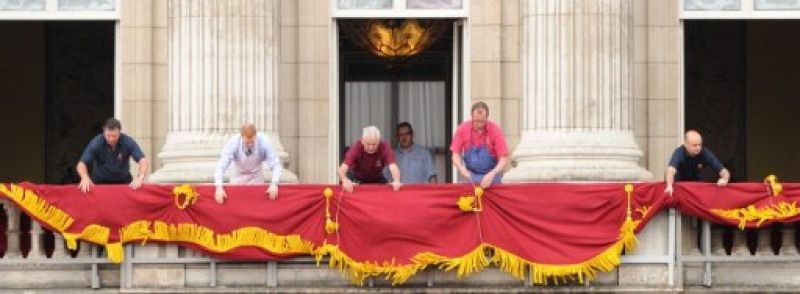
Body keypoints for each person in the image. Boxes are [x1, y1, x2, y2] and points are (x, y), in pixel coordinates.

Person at [214, 124, 283, 204]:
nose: (250, 144)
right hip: (238, 178)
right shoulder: (233, 142)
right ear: (242, 136)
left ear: (256, 135)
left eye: (252, 142)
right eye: (247, 142)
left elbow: (276, 164)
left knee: (256, 204)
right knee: (238, 204)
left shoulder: (264, 142)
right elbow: (221, 166)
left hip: (256, 178)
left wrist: (274, 184)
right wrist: (218, 186)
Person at [77, 118, 149, 193]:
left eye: (114, 136)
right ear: (104, 131)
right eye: (108, 136)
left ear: (119, 132)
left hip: (123, 183)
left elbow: (143, 160)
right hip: (100, 183)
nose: (111, 139)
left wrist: (140, 177)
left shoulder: (127, 141)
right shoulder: (96, 142)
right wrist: (84, 177)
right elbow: (81, 163)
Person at [450, 102, 510, 189]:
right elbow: (455, 154)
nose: (479, 124)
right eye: (476, 121)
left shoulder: (495, 130)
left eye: (482, 121)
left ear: (487, 118)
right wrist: (461, 168)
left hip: (492, 177)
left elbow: (504, 158)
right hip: (470, 176)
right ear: (472, 117)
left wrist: (493, 173)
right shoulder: (462, 129)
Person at [664, 129, 730, 195]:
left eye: (699, 145)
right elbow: (670, 170)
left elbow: (723, 170)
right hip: (680, 187)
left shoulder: (704, 152)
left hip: (696, 187)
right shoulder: (679, 153)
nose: (698, 148)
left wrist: (725, 179)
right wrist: (669, 185)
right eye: (694, 145)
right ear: (686, 144)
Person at [338, 125, 402, 193]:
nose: (371, 148)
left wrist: (397, 180)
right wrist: (345, 180)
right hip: (357, 177)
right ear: (362, 141)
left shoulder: (384, 147)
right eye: (368, 144)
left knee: (390, 191)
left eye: (374, 144)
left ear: (379, 141)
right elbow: (342, 169)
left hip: (376, 176)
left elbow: (393, 166)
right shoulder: (356, 148)